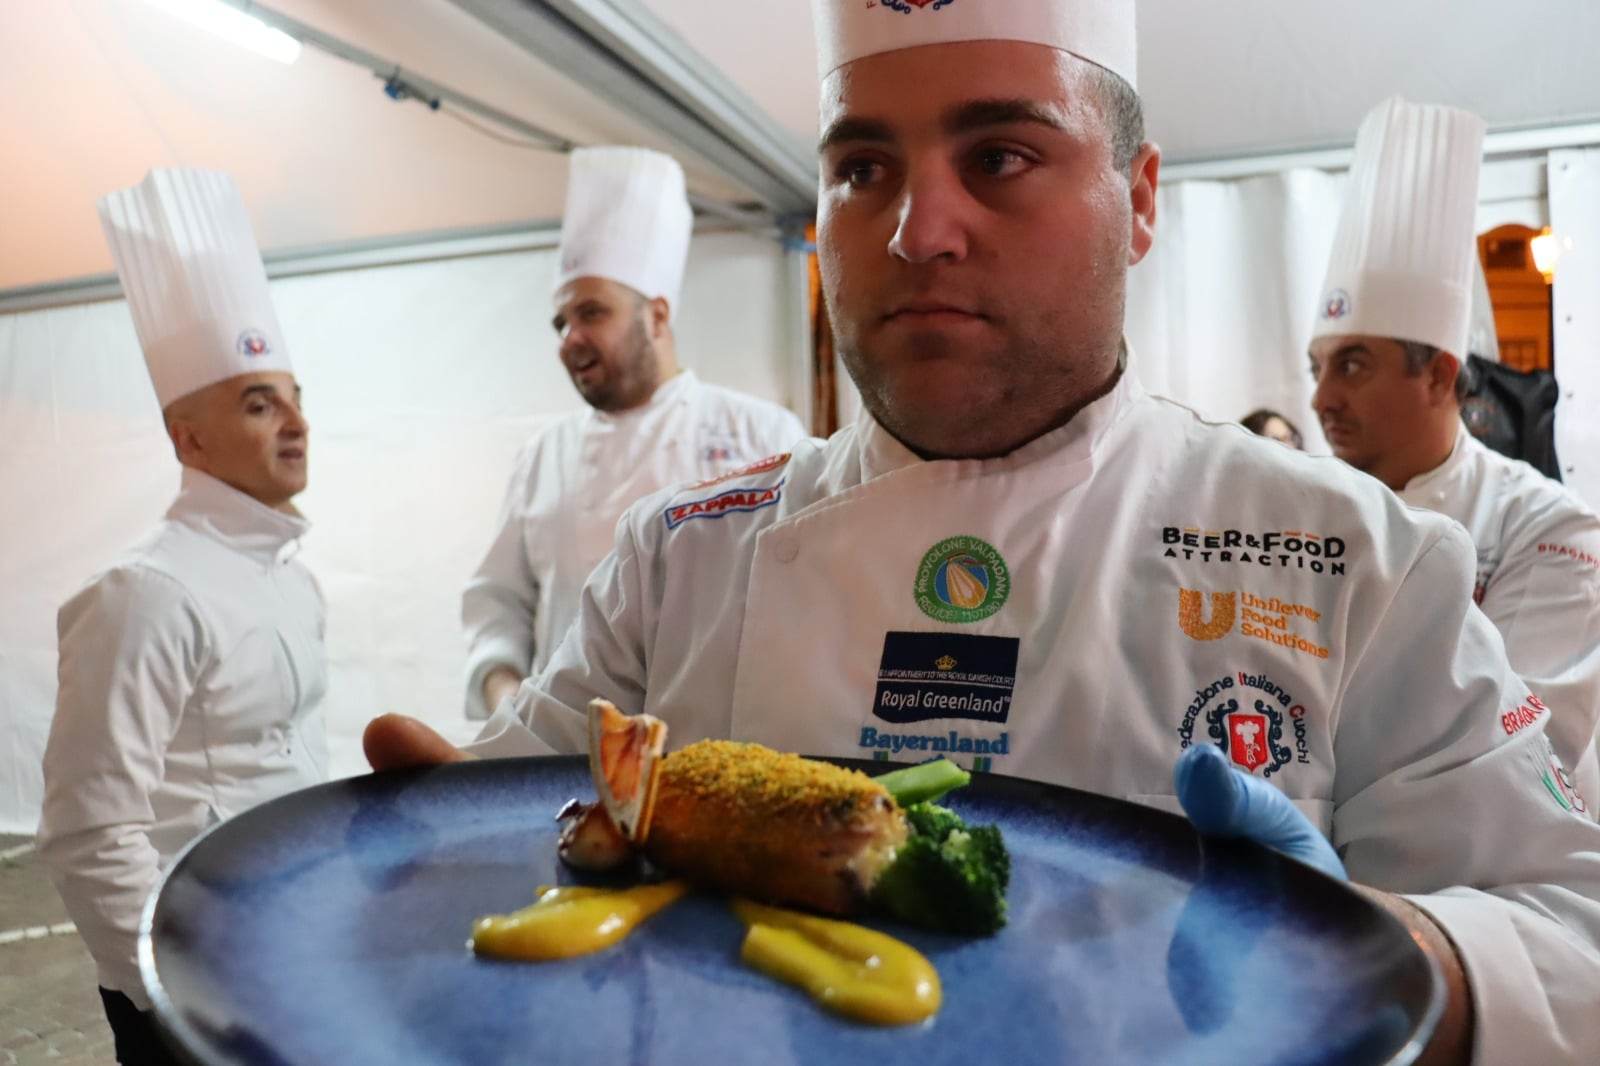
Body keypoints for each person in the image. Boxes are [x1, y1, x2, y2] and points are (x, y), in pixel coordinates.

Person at [370, 5, 1600, 1061]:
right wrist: (420, 853)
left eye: (1001, 156)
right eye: (862, 169)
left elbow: (1572, 937)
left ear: (1140, 200)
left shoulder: (1357, 559)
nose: (917, 231)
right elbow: (510, 837)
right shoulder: (675, 559)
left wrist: (1389, 949)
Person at [37, 169, 329, 1066]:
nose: (295, 422)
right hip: (192, 976)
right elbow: (89, 829)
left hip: (287, 945)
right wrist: (174, 987)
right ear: (188, 439)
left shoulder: (293, 581)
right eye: (258, 403)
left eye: (295, 396)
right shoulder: (144, 594)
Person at [1308, 97, 1600, 807]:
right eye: (1316, 368)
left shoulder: (1547, 526)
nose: (1321, 399)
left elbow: (1523, 751)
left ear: (1438, 375)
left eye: (1352, 365)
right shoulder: (1305, 513)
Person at [461, 146, 807, 719]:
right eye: (560, 322)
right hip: (563, 745)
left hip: (712, 742)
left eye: (591, 313)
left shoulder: (762, 431)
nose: (569, 338)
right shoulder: (545, 455)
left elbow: (802, 596)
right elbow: (498, 601)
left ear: (658, 316)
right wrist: (506, 696)